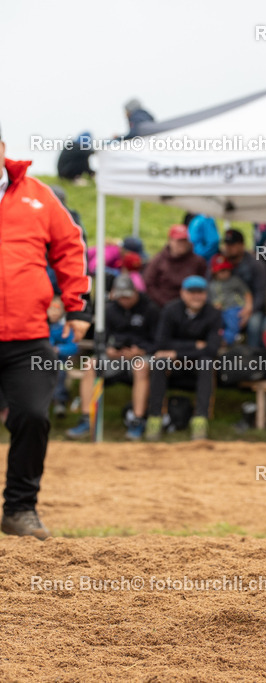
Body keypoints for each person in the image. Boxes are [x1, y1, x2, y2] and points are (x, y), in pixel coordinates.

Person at [0, 125, 91, 539]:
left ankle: (20, 509)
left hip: (28, 336)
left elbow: (70, 245)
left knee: (33, 416)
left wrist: (75, 306)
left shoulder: (38, 194)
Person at [67, 274, 159, 441]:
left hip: (141, 357)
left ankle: (137, 420)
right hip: (115, 358)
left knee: (141, 367)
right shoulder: (109, 309)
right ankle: (87, 419)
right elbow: (99, 341)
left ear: (135, 292)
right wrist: (108, 350)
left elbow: (158, 342)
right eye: (120, 296)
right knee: (90, 364)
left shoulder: (150, 309)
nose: (124, 300)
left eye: (127, 296)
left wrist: (141, 351)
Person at [145, 276, 222, 441]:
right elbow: (161, 343)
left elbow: (211, 349)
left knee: (206, 363)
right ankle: (155, 417)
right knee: (159, 363)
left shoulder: (213, 314)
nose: (196, 296)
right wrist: (195, 346)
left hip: (196, 365)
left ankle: (200, 420)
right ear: (182, 293)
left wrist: (176, 353)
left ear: (206, 294)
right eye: (191, 292)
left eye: (200, 292)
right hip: (174, 366)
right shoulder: (170, 310)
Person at [216, 228, 266, 349]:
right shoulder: (219, 261)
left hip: (250, 307)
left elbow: (261, 293)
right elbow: (211, 285)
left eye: (232, 244)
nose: (228, 247)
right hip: (223, 305)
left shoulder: (255, 264)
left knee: (254, 324)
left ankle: (253, 357)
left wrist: (249, 311)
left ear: (242, 245)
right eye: (226, 244)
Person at [144, 225, 208, 308]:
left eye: (184, 240)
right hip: (162, 304)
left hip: (189, 305)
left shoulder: (198, 261)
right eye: (179, 241)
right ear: (170, 241)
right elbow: (149, 283)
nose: (182, 244)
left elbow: (203, 283)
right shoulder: (158, 260)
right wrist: (164, 302)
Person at [208, 254, 252, 346]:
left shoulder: (234, 281)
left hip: (234, 307)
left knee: (232, 322)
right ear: (214, 272)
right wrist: (214, 306)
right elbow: (210, 299)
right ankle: (218, 340)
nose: (224, 273)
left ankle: (228, 341)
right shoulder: (212, 285)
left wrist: (248, 307)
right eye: (221, 271)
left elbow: (246, 293)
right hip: (219, 311)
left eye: (226, 270)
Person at [47, 297, 78, 420]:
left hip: (59, 362)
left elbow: (74, 347)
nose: (54, 312)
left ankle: (59, 402)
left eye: (57, 309)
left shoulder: (66, 328)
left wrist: (59, 349)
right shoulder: (41, 326)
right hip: (38, 362)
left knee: (59, 373)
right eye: (51, 309)